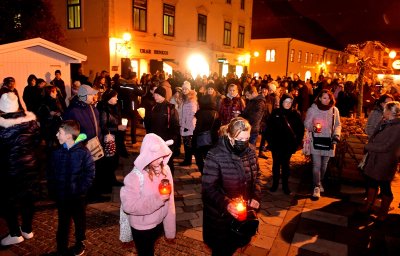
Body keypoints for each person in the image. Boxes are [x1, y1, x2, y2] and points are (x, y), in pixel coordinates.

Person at [202, 117, 261, 255]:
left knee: (235, 245)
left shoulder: (251, 151)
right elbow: (208, 188)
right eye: (239, 139)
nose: (243, 142)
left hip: (243, 213)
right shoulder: (215, 155)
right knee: (222, 251)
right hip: (221, 218)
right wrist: (226, 204)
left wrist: (256, 196)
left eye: (246, 138)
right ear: (229, 136)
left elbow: (257, 176)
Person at [120, 133, 176, 256]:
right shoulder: (134, 177)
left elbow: (170, 201)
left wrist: (170, 230)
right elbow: (129, 206)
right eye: (157, 156)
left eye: (163, 155)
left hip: (158, 224)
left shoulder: (166, 170)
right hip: (142, 228)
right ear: (147, 155)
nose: (161, 159)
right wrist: (158, 199)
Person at [47, 120, 95, 255]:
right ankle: (61, 247)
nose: (57, 135)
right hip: (62, 196)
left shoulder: (83, 152)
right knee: (63, 223)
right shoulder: (56, 153)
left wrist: (81, 189)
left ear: (68, 136)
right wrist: (53, 188)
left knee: (79, 220)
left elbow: (90, 173)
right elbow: (50, 172)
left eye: (59, 132)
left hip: (78, 196)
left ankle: (80, 242)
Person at [0, 92, 40, 246]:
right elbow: (37, 142)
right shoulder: (31, 122)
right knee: (28, 198)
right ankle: (27, 229)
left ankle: (15, 233)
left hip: (9, 169)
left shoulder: (1, 126)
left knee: (7, 200)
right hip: (30, 165)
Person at [358, 101, 400, 221]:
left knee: (385, 185)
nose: (383, 111)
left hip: (385, 161)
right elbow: (375, 136)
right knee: (372, 182)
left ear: (390, 112)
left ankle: (383, 211)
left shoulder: (397, 127)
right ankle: (369, 205)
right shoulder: (384, 122)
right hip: (375, 158)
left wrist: (368, 146)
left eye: (385, 109)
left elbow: (387, 146)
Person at [304, 89, 342, 199]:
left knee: (324, 165)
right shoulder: (313, 109)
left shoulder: (335, 110)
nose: (327, 100)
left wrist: (336, 135)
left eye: (329, 98)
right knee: (316, 165)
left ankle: (319, 181)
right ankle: (316, 187)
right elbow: (307, 123)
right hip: (316, 140)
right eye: (324, 98)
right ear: (320, 98)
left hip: (329, 141)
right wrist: (314, 128)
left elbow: (338, 125)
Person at [265, 94, 304, 195]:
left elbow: (300, 130)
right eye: (286, 102)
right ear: (282, 102)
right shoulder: (276, 113)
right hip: (276, 144)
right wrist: (270, 142)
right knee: (276, 165)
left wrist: (296, 144)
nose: (288, 104)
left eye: (290, 102)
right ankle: (275, 184)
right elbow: (269, 128)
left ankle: (285, 186)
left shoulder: (295, 114)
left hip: (288, 145)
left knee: (286, 165)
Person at [97, 89, 126, 192]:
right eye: (115, 97)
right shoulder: (104, 109)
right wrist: (117, 128)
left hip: (116, 138)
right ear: (109, 98)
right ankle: (106, 185)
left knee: (114, 160)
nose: (117, 99)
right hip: (108, 139)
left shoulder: (115, 107)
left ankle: (112, 180)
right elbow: (103, 127)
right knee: (109, 162)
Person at [148, 86, 180, 174]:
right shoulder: (153, 107)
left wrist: (173, 140)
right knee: (156, 161)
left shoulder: (170, 108)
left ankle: (169, 179)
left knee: (168, 162)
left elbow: (175, 125)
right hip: (155, 140)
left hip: (167, 140)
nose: (155, 97)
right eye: (155, 94)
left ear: (163, 96)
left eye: (158, 95)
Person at [192, 94, 221, 173]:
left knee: (198, 156)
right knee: (210, 157)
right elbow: (217, 126)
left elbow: (198, 128)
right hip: (213, 138)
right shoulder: (216, 113)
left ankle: (203, 171)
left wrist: (194, 138)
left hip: (200, 139)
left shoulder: (200, 113)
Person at [179, 81, 198, 166]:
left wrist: (187, 126)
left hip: (189, 125)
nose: (184, 90)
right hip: (184, 124)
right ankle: (187, 160)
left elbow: (192, 114)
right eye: (183, 89)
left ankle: (188, 161)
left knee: (188, 144)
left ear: (189, 90)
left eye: (186, 89)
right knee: (186, 144)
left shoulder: (191, 100)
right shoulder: (185, 98)